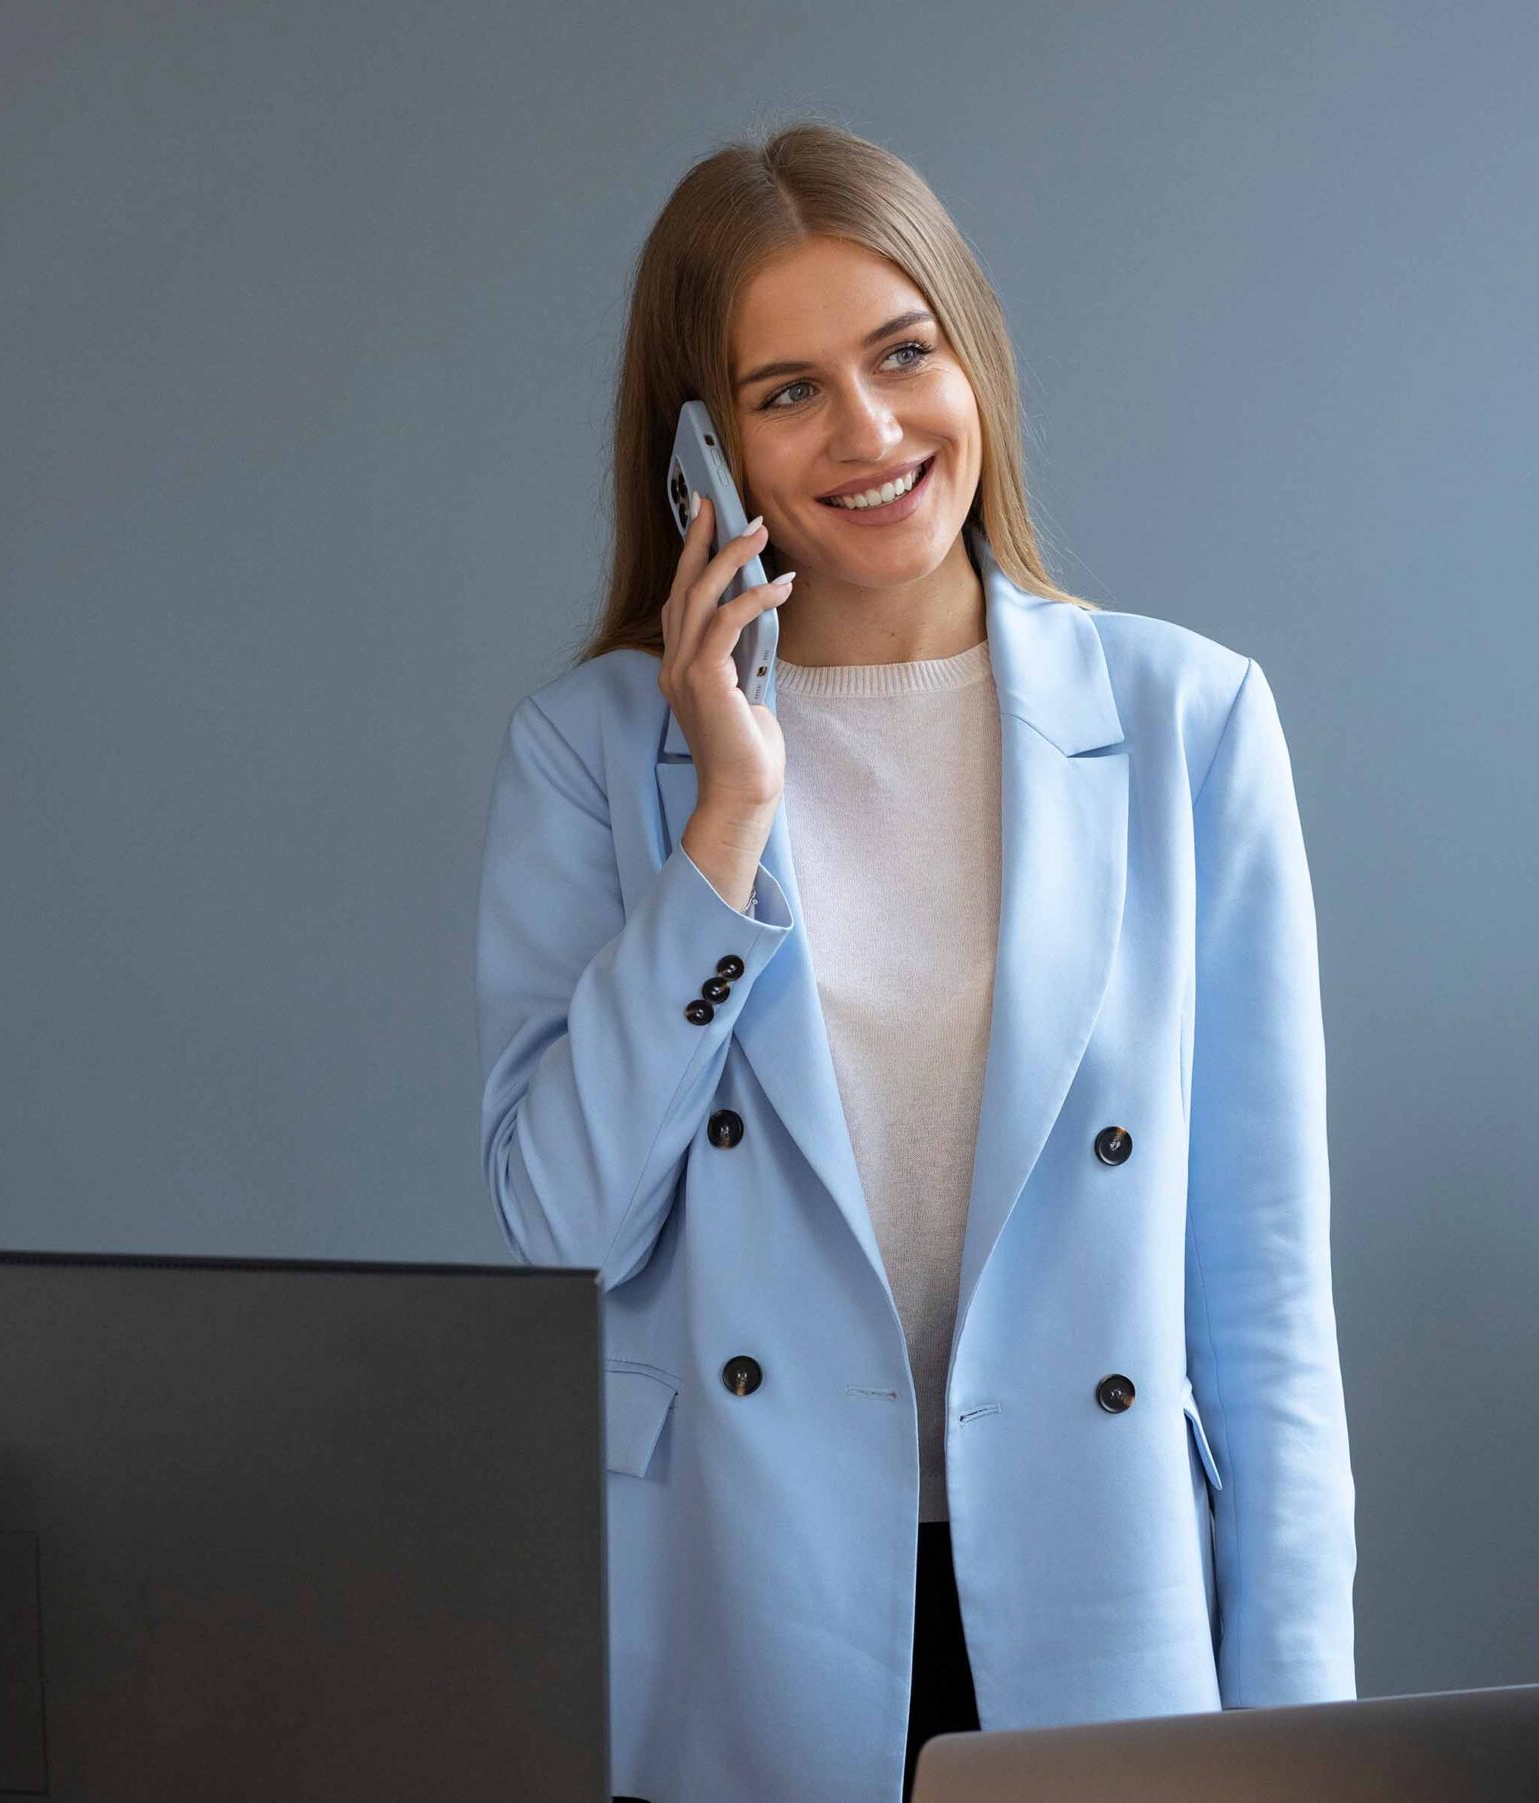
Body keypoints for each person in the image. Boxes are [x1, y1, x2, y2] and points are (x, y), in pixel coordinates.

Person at [474, 119, 1356, 1803]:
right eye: (786, 390)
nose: (869, 432)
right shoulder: (590, 758)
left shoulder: (1189, 721)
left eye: (903, 354)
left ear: (976, 363)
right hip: (741, 1610)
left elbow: (1266, 1300)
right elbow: (562, 1220)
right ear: (699, 450)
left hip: (1098, 1601)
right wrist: (727, 810)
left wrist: (1309, 1738)